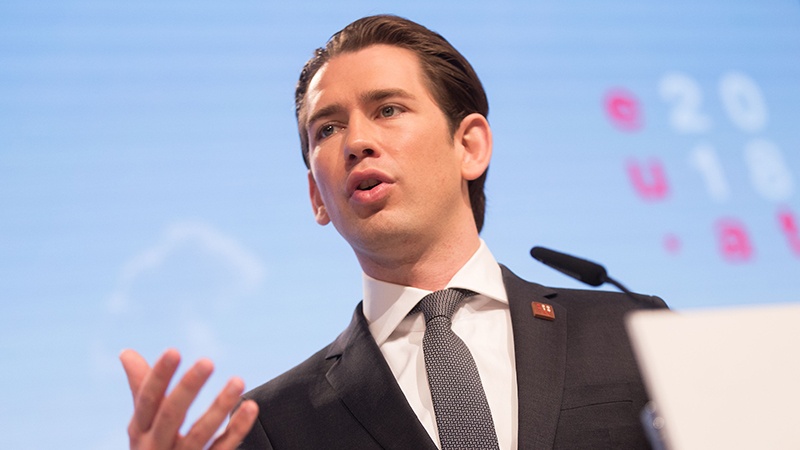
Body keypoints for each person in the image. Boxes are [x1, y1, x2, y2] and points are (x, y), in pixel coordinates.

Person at [121, 14, 666, 450]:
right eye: (328, 128)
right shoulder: (271, 425)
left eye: (387, 109)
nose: (356, 141)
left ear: (469, 146)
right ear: (317, 197)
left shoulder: (634, 331)